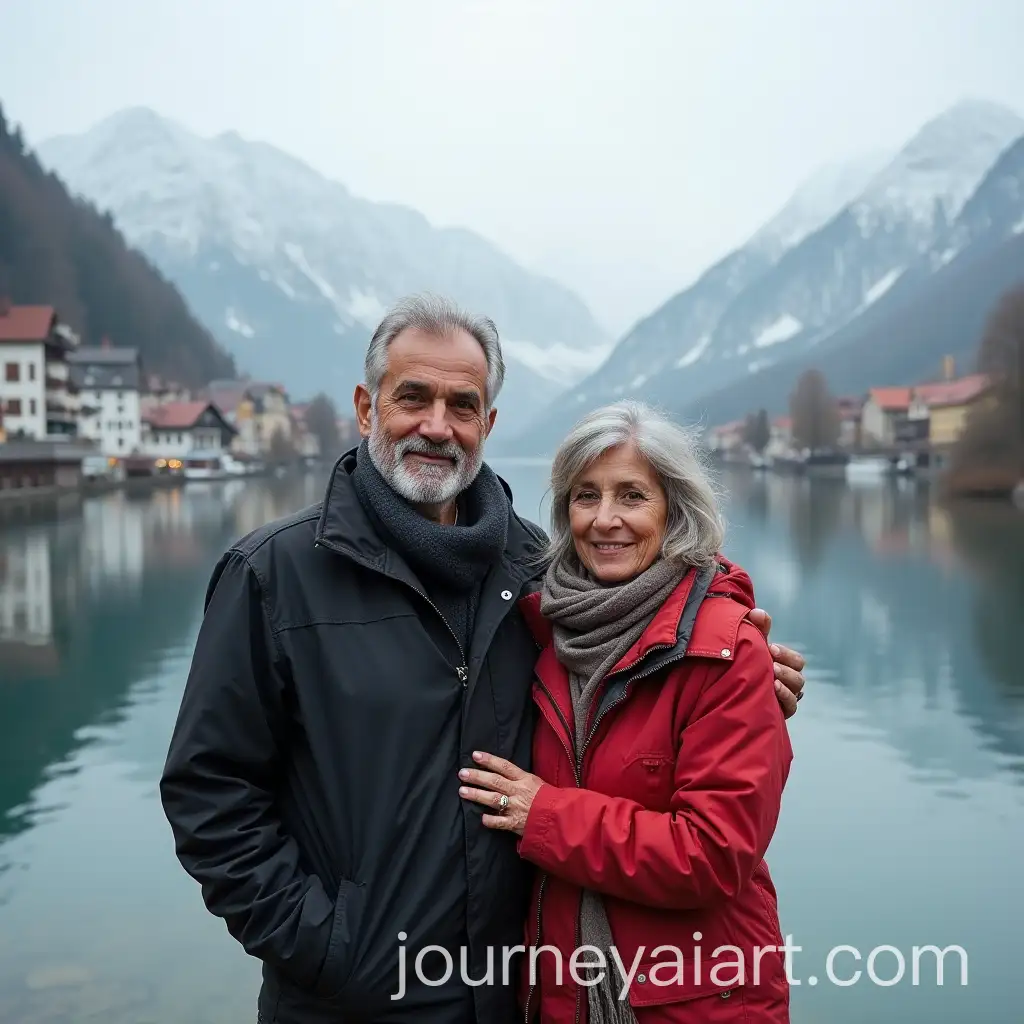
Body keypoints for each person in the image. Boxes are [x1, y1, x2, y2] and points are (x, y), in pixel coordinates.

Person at [159, 294, 805, 1024]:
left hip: (514, 996)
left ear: (488, 425)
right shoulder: (273, 575)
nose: (438, 426)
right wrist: (327, 949)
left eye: (462, 405)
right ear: (367, 408)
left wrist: (740, 661)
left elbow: (654, 620)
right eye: (414, 398)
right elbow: (210, 795)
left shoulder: (537, 570)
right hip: (350, 1003)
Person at [457, 400, 793, 1023]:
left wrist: (545, 815)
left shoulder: (727, 649)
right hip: (563, 992)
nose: (605, 520)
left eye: (632, 496)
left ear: (675, 512)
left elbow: (712, 855)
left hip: (694, 1004)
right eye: (586, 496)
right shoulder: (547, 634)